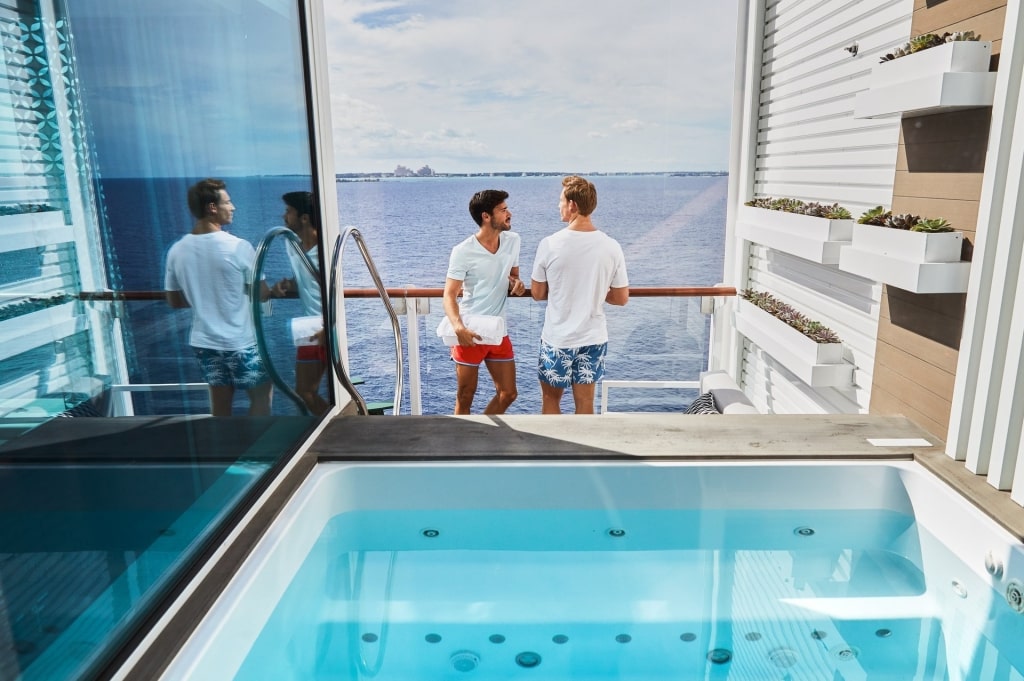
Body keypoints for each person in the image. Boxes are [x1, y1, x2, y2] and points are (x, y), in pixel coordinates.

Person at [165, 178, 273, 416]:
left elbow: (174, 300)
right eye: (228, 201)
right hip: (240, 342)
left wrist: (204, 299)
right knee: (262, 394)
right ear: (212, 208)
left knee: (221, 405)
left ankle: (226, 449)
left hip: (204, 342)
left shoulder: (176, 251)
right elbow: (263, 294)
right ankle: (259, 448)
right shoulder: (238, 247)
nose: (233, 207)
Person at [531, 175, 629, 414]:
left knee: (551, 400)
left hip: (558, 339)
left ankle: (554, 451)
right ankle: (584, 452)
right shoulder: (611, 246)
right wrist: (596, 289)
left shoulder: (550, 244)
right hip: (593, 338)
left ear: (572, 205)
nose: (558, 206)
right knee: (585, 404)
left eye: (561, 200)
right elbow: (620, 297)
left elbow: (537, 292)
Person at [442, 189, 526, 414]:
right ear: (486, 216)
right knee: (465, 395)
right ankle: (462, 445)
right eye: (503, 210)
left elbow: (513, 276)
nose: (509, 213)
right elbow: (449, 294)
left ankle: (481, 433)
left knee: (508, 393)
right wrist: (459, 328)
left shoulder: (513, 240)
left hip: (498, 330)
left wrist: (516, 284)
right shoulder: (463, 251)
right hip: (469, 331)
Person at [270, 191, 329, 415]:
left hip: (325, 330)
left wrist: (328, 328)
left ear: (304, 218)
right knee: (306, 392)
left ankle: (344, 431)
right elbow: (304, 280)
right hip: (311, 329)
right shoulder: (292, 245)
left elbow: (332, 292)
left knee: (306, 392)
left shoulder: (324, 252)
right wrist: (286, 286)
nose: (284, 216)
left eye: (288, 211)